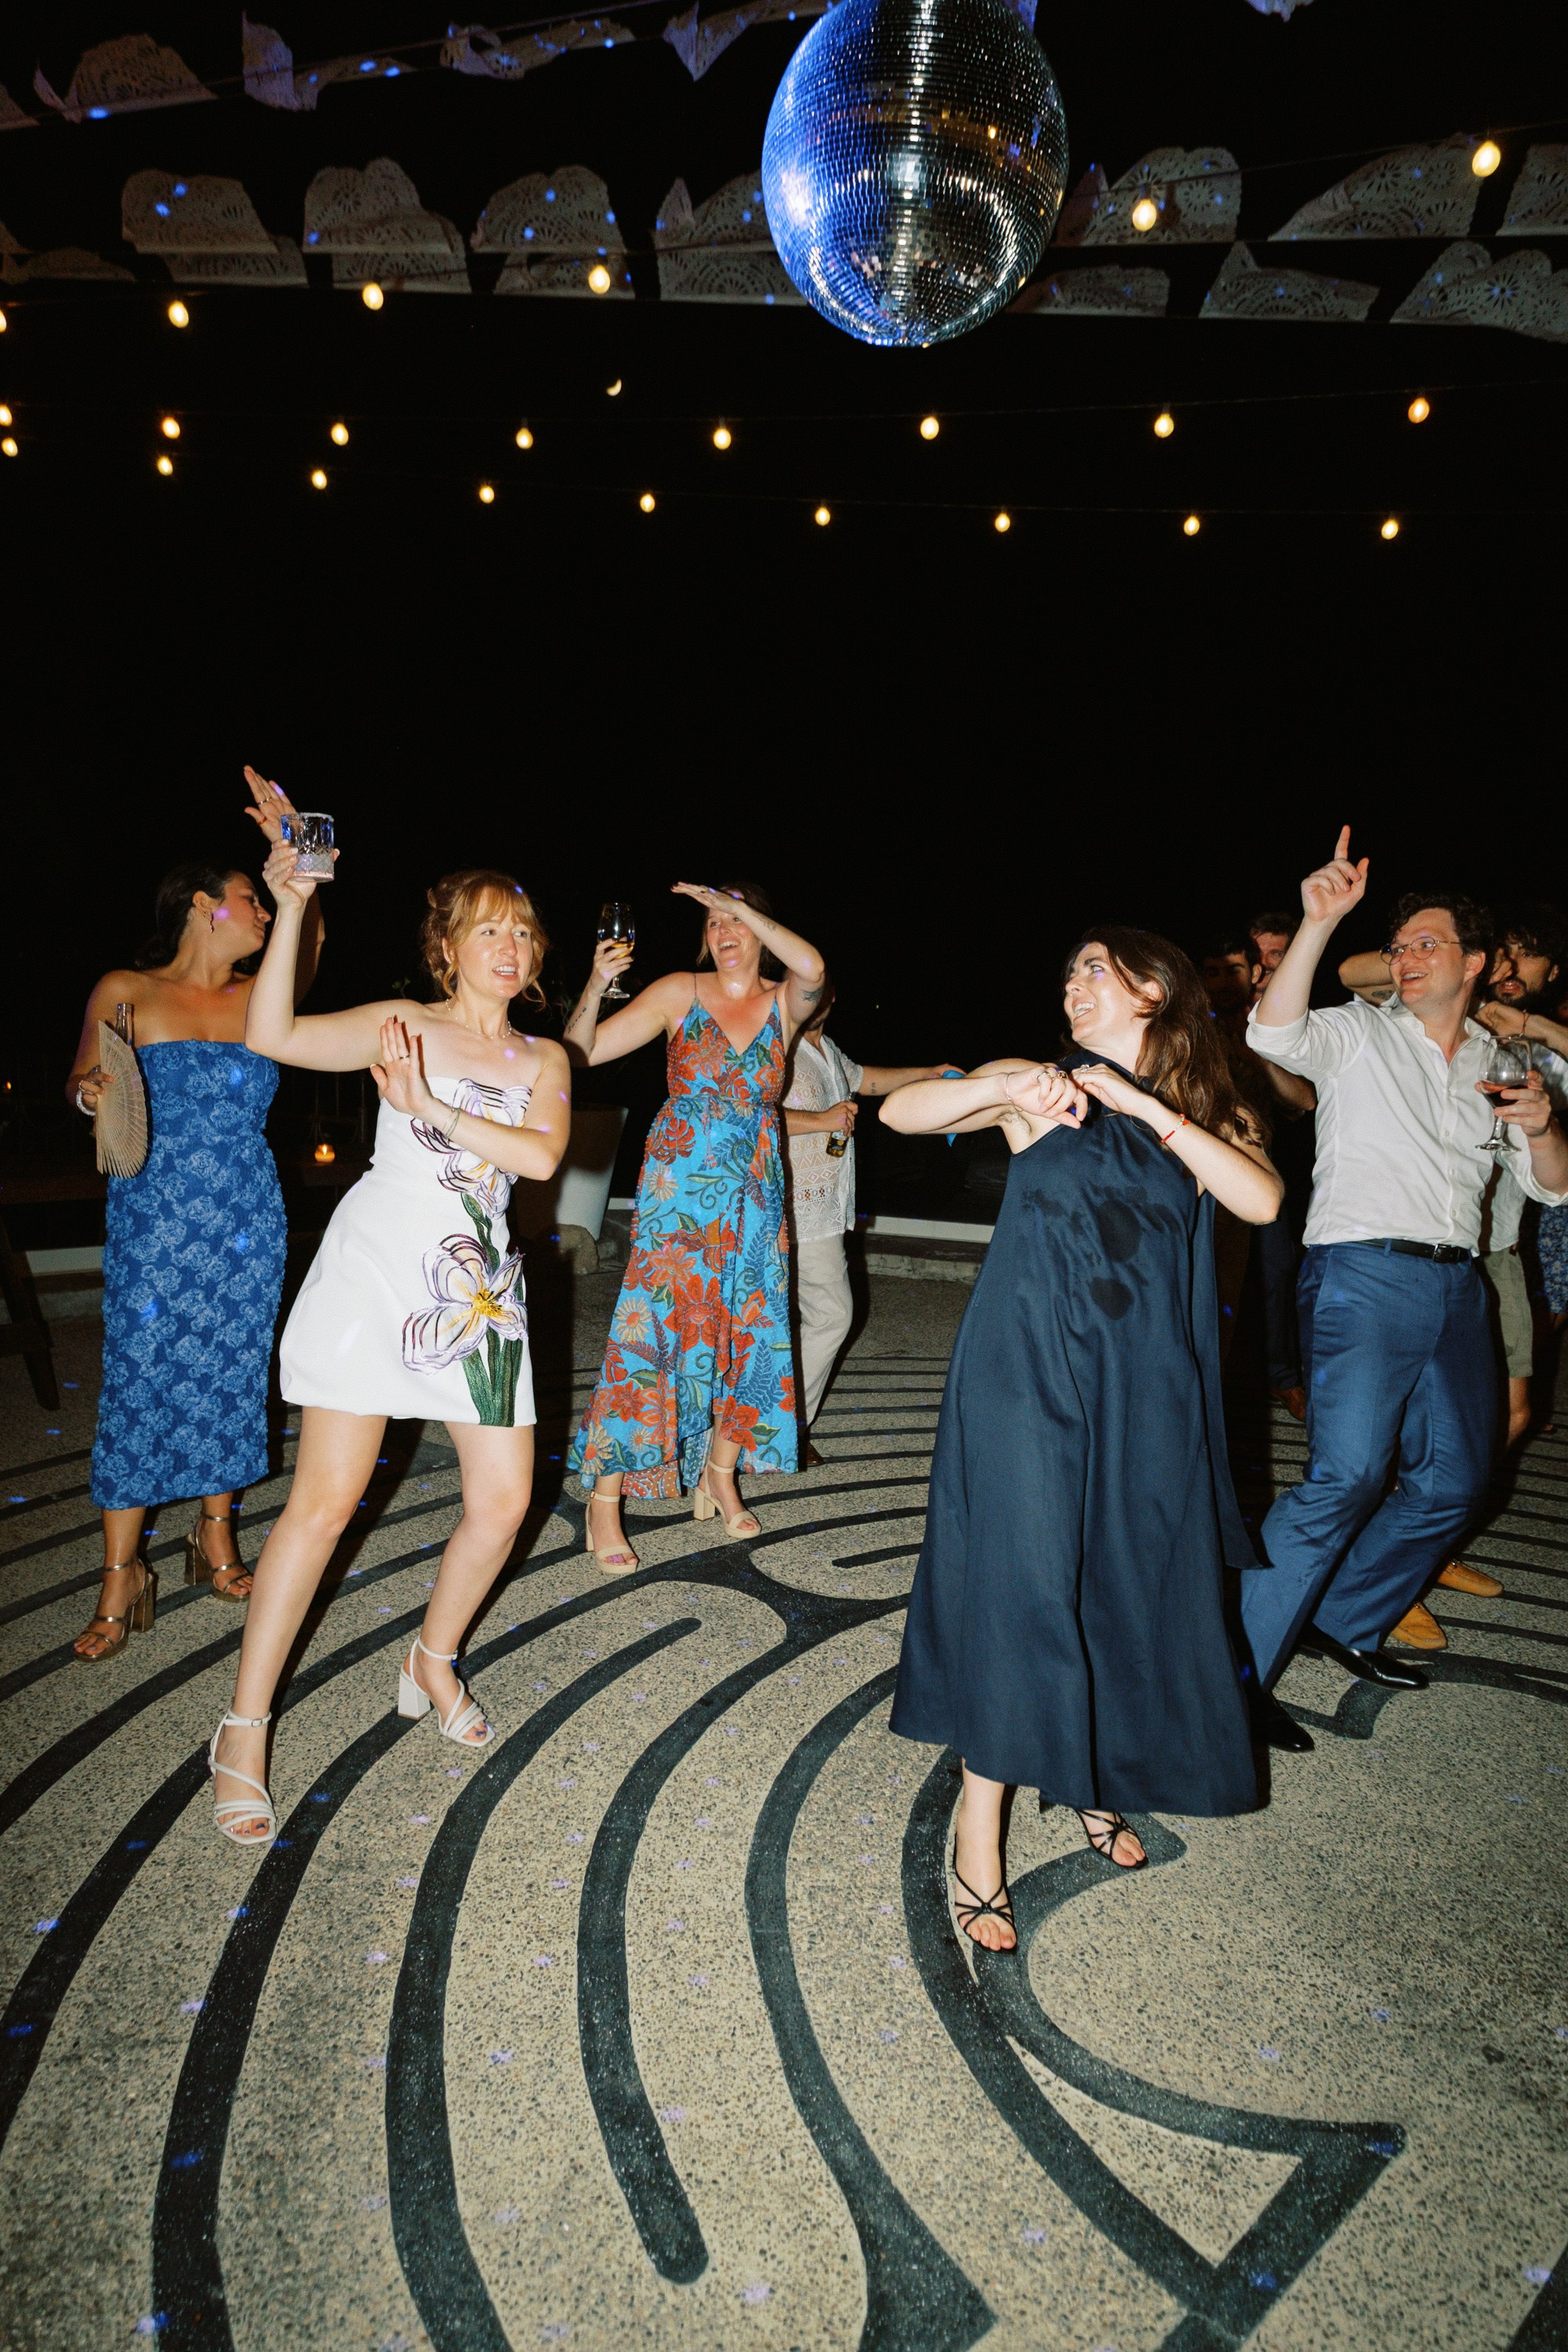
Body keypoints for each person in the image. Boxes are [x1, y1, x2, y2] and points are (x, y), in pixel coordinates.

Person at [884, 929, 1283, 1951]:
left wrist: (1148, 1112)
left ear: (1153, 990)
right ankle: (980, 1837)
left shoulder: (1202, 1110)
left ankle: (1090, 1776)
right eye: (1066, 974)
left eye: (1094, 971)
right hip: (1026, 1374)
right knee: (1024, 1584)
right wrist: (1011, 1094)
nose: (1072, 986)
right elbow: (901, 1109)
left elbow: (1261, 1198)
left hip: (1145, 1386)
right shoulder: (1042, 1082)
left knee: (1116, 1580)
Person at [207, 855, 570, 1845]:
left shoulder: (545, 1060)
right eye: (487, 930)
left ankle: (431, 1655)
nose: (508, 948)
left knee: (501, 1503)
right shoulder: (399, 1023)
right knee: (324, 1504)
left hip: (478, 1288)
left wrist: (430, 1107)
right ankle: (243, 1727)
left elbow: (537, 1157)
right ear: (447, 946)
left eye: (522, 933)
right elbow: (268, 1032)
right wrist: (292, 904)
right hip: (379, 1271)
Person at [1240, 833, 1568, 1706]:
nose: (1405, 956)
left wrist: (1540, 1125)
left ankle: (1341, 1620)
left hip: (1458, 1284)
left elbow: (1551, 1186)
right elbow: (1269, 1028)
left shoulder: (1498, 1065)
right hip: (1362, 1274)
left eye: (1426, 943)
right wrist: (1316, 923)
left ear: (1476, 963)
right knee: (1344, 1477)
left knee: (1457, 1482)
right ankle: (1230, 1669)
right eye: (1398, 945)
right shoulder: (1355, 1035)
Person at [64, 768, 325, 1661]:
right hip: (154, 1220)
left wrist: (296, 856)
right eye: (252, 899)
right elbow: (81, 1079)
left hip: (247, 1219)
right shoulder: (127, 989)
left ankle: (214, 1531)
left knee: (229, 1372)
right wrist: (91, 1090)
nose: (262, 914)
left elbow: (310, 936)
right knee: (138, 1382)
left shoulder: (263, 996)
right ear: (207, 905)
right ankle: (119, 1574)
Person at [564, 883, 826, 1572]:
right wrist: (595, 983)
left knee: (753, 1329)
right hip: (678, 1192)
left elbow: (815, 970)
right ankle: (606, 1501)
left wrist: (747, 908)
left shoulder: (782, 1002)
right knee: (649, 1332)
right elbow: (578, 1054)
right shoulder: (681, 990)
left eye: (735, 920)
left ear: (763, 930)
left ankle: (719, 1471)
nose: (722, 930)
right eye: (713, 921)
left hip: (756, 1196)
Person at [1336, 902, 1568, 1642]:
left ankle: (1422, 1549)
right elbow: (1351, 973)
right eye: (1504, 954)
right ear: (1481, 957)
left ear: (1550, 971)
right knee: (1409, 1432)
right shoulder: (1422, 1011)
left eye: (1528, 960)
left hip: (1496, 1246)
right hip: (1432, 1250)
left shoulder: (1527, 1043)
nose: (1513, 971)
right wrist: (1442, 965)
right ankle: (1393, 1571)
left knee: (1512, 1415)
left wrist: (1523, 1024)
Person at [782, 980, 960, 1450]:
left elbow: (869, 1080)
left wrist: (932, 1071)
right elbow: (749, 1114)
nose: (812, 999)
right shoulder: (775, 1045)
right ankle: (782, 1429)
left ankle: (777, 1427)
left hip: (823, 1206)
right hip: (788, 1204)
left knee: (810, 1316)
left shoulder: (827, 1048)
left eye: (820, 991)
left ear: (832, 998)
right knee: (831, 1314)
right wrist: (822, 1120)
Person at [1199, 940, 1313, 1406]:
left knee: (1276, 1273)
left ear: (1254, 973)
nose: (1225, 982)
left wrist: (1259, 1057)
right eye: (1213, 971)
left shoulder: (1270, 1027)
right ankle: (1207, 1381)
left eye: (1234, 970)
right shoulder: (1187, 1028)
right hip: (1199, 1176)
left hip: (1258, 1173)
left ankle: (1283, 1375)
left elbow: (1304, 1101)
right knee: (1205, 1278)